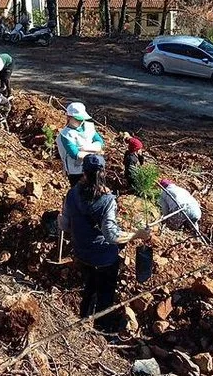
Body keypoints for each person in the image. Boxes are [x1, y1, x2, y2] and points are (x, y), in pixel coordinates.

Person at [58, 154, 151, 332]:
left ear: (83, 171)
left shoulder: (72, 193)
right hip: (103, 258)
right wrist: (137, 235)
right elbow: (111, 236)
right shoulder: (107, 200)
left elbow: (65, 224)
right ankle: (102, 329)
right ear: (103, 172)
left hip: (80, 252)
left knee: (90, 285)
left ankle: (82, 320)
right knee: (106, 294)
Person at [56, 102, 104, 187]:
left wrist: (84, 148)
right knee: (79, 193)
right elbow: (75, 154)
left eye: (82, 118)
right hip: (76, 172)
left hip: (92, 168)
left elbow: (99, 142)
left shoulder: (89, 127)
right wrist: (95, 153)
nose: (81, 121)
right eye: (78, 119)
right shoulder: (66, 134)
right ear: (69, 117)